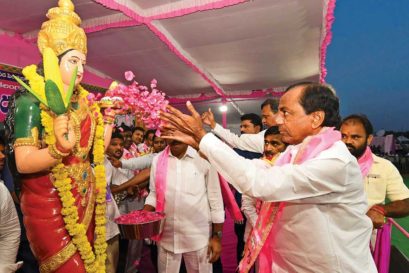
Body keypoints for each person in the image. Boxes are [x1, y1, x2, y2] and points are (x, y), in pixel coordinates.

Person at [160, 82, 377, 272]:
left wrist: (203, 136)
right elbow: (257, 169)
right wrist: (200, 143)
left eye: (286, 112)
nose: (278, 120)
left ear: (316, 118)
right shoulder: (296, 151)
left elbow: (260, 183)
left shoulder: (335, 161)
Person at [5, 1, 116, 272]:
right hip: (48, 204)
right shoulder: (31, 100)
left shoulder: (86, 103)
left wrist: (110, 117)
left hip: (86, 201)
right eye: (73, 61)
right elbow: (23, 162)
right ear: (52, 59)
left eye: (83, 63)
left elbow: (96, 149)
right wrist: (57, 151)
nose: (80, 70)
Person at [144, 140, 224, 273]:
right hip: (167, 235)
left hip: (198, 237)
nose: (175, 138)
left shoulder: (203, 158)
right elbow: (154, 194)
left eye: (178, 132)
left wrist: (217, 236)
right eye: (170, 133)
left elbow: (215, 198)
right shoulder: (158, 160)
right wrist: (142, 216)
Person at [340, 114, 409, 229]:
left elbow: (406, 202)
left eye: (355, 137)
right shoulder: (328, 164)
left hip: (368, 235)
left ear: (369, 139)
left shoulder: (384, 167)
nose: (348, 141)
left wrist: (380, 210)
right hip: (332, 235)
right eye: (343, 136)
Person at [201, 99, 278, 154]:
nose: (263, 121)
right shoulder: (263, 136)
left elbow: (236, 141)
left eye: (266, 116)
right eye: (241, 126)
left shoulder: (263, 139)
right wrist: (213, 124)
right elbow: (236, 140)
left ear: (279, 114)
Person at [0, 139, 21, 273]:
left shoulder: (1, 191)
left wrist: (4, 267)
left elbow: (10, 232)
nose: (2, 156)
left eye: (2, 152)